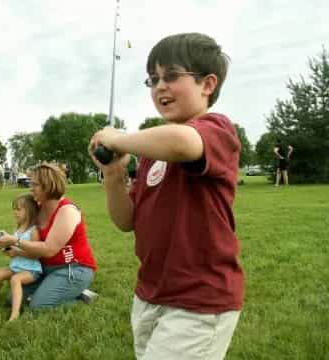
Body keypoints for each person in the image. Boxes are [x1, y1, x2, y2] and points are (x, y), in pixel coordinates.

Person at [89, 33, 243, 359]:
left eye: (172, 76)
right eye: (153, 79)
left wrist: (120, 138)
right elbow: (126, 220)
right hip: (150, 294)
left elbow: (182, 143)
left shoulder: (216, 129)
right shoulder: (150, 154)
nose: (160, 86)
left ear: (207, 84)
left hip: (199, 300)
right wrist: (114, 174)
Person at [0, 163, 97, 308]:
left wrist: (15, 241)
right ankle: (56, 290)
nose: (30, 188)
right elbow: (26, 233)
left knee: (39, 306)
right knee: (13, 299)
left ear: (48, 186)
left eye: (35, 184)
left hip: (72, 268)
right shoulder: (38, 208)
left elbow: (49, 249)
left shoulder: (67, 211)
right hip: (45, 269)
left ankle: (80, 294)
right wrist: (8, 245)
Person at [0, 193, 42, 321]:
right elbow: (11, 249)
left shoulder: (33, 231)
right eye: (14, 209)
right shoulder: (17, 230)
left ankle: (14, 315)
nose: (15, 212)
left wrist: (16, 252)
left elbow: (36, 253)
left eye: (19, 209)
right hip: (16, 267)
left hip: (31, 270)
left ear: (30, 211)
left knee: (15, 280)